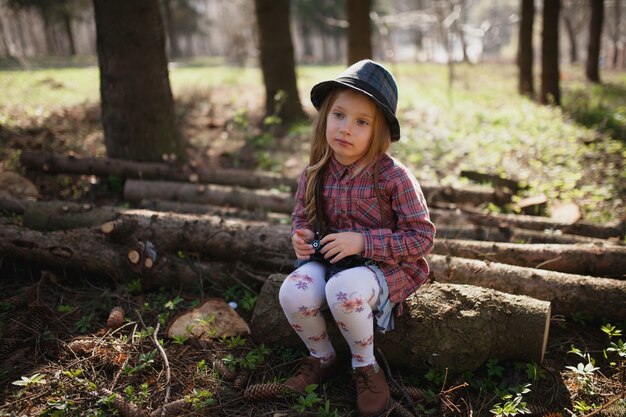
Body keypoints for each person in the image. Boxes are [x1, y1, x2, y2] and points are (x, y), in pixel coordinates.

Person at [278, 59, 435, 417]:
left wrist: (363, 241)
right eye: (339, 115)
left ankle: (366, 367)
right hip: (332, 261)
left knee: (342, 292)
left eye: (361, 121)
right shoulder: (315, 172)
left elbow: (422, 238)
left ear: (378, 131)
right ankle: (324, 358)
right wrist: (300, 237)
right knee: (292, 291)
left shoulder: (393, 177)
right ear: (325, 118)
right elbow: (302, 218)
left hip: (383, 267)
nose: (346, 128)